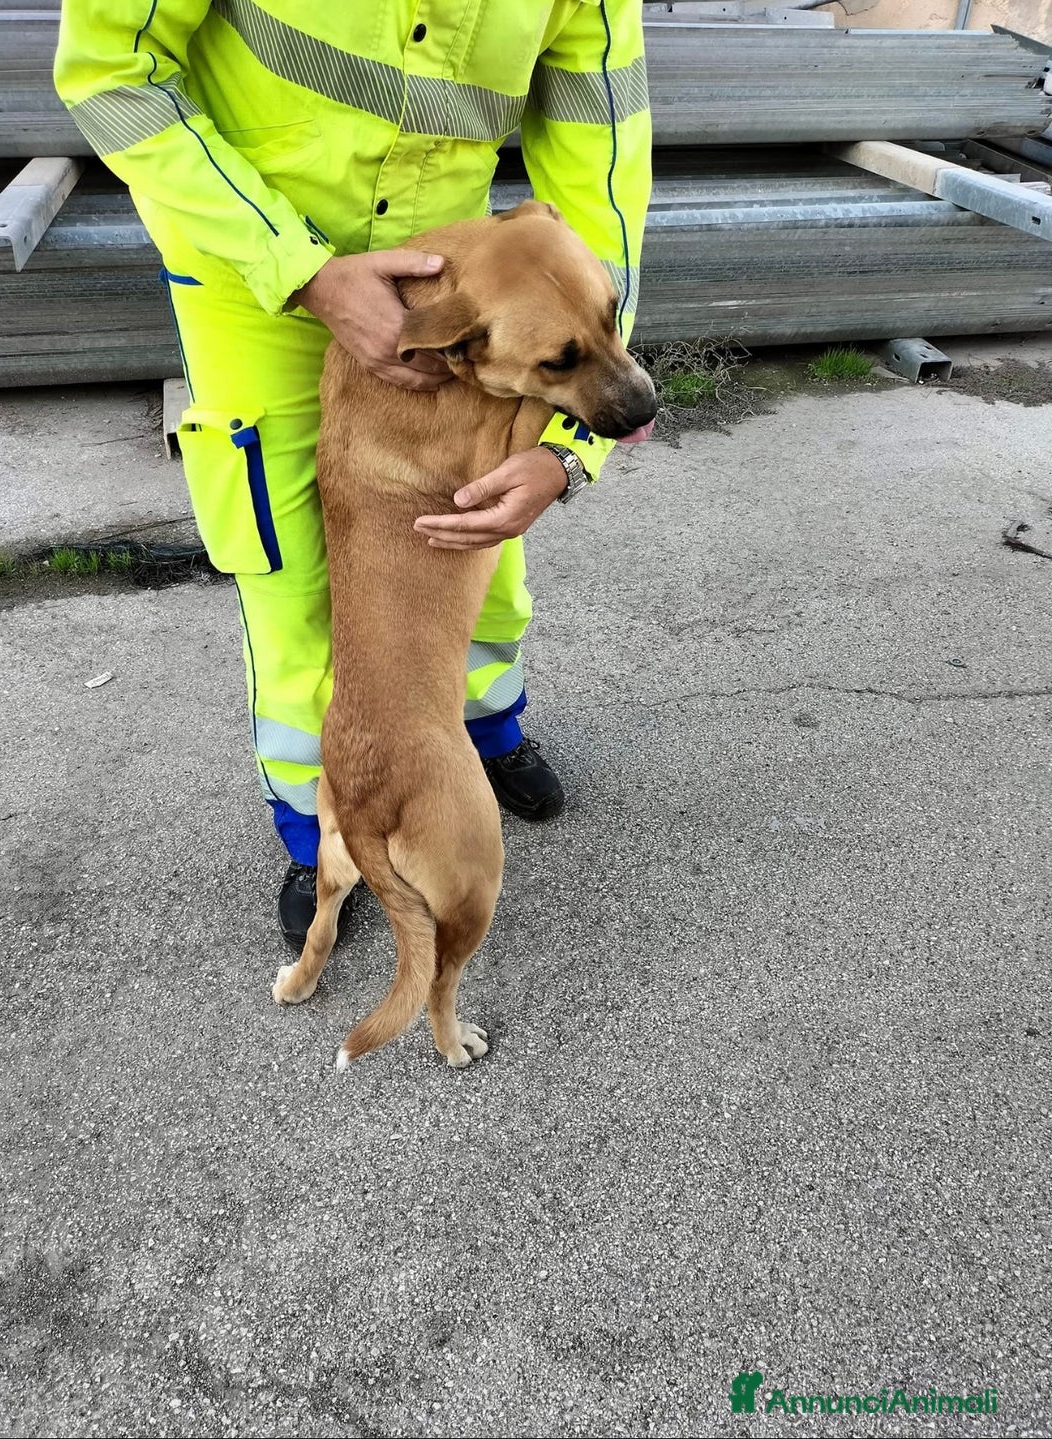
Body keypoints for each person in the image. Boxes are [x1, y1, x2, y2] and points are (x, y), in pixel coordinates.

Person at [55, 1, 652, 950]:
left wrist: (570, 454)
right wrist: (299, 268)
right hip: (252, 274)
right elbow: (111, 72)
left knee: (475, 530)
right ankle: (318, 833)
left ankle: (487, 729)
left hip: (469, 292)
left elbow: (601, 180)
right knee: (290, 569)